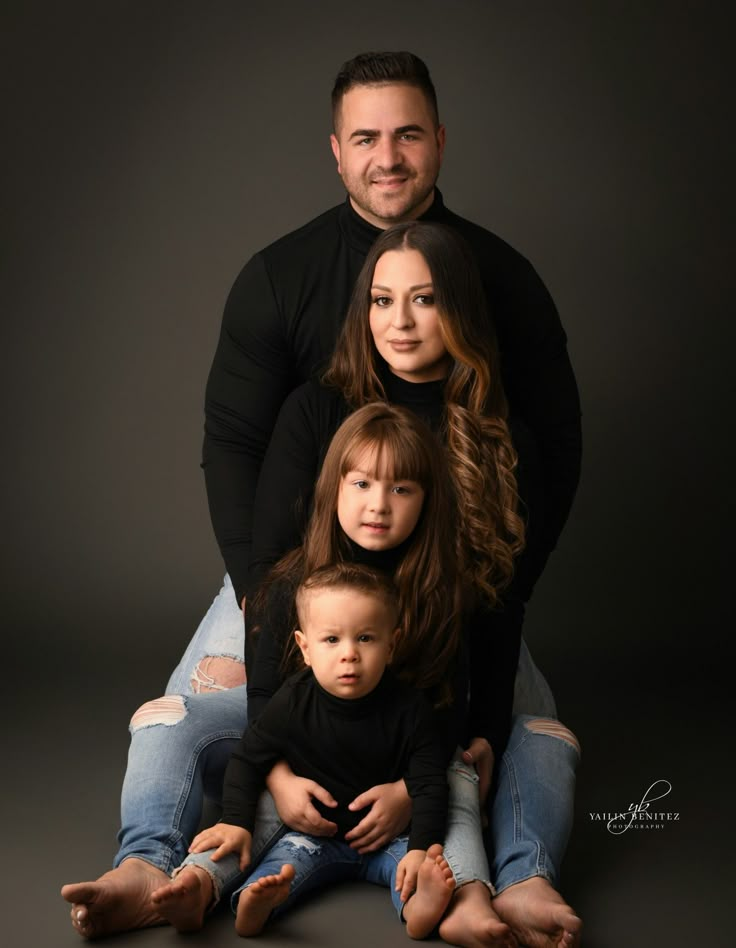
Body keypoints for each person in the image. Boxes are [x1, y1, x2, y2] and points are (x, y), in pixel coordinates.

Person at [62, 51, 582, 947]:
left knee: (510, 739)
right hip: (289, 575)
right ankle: (156, 866)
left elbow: (547, 465)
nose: (389, 156)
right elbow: (233, 451)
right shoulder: (285, 289)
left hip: (452, 590)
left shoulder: (502, 293)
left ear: (440, 144)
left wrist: (471, 702)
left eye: (409, 133)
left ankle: (483, 887)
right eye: (368, 138)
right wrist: (279, 621)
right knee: (187, 718)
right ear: (337, 152)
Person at [153, 563, 457, 940]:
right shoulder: (293, 702)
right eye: (332, 640)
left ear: (391, 645)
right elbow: (248, 759)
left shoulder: (410, 710)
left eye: (365, 638)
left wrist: (420, 848)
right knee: (282, 869)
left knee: (415, 870)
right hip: (315, 836)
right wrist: (236, 820)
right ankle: (257, 903)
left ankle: (418, 908)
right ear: (305, 647)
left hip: (386, 839)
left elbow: (428, 784)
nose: (349, 654)